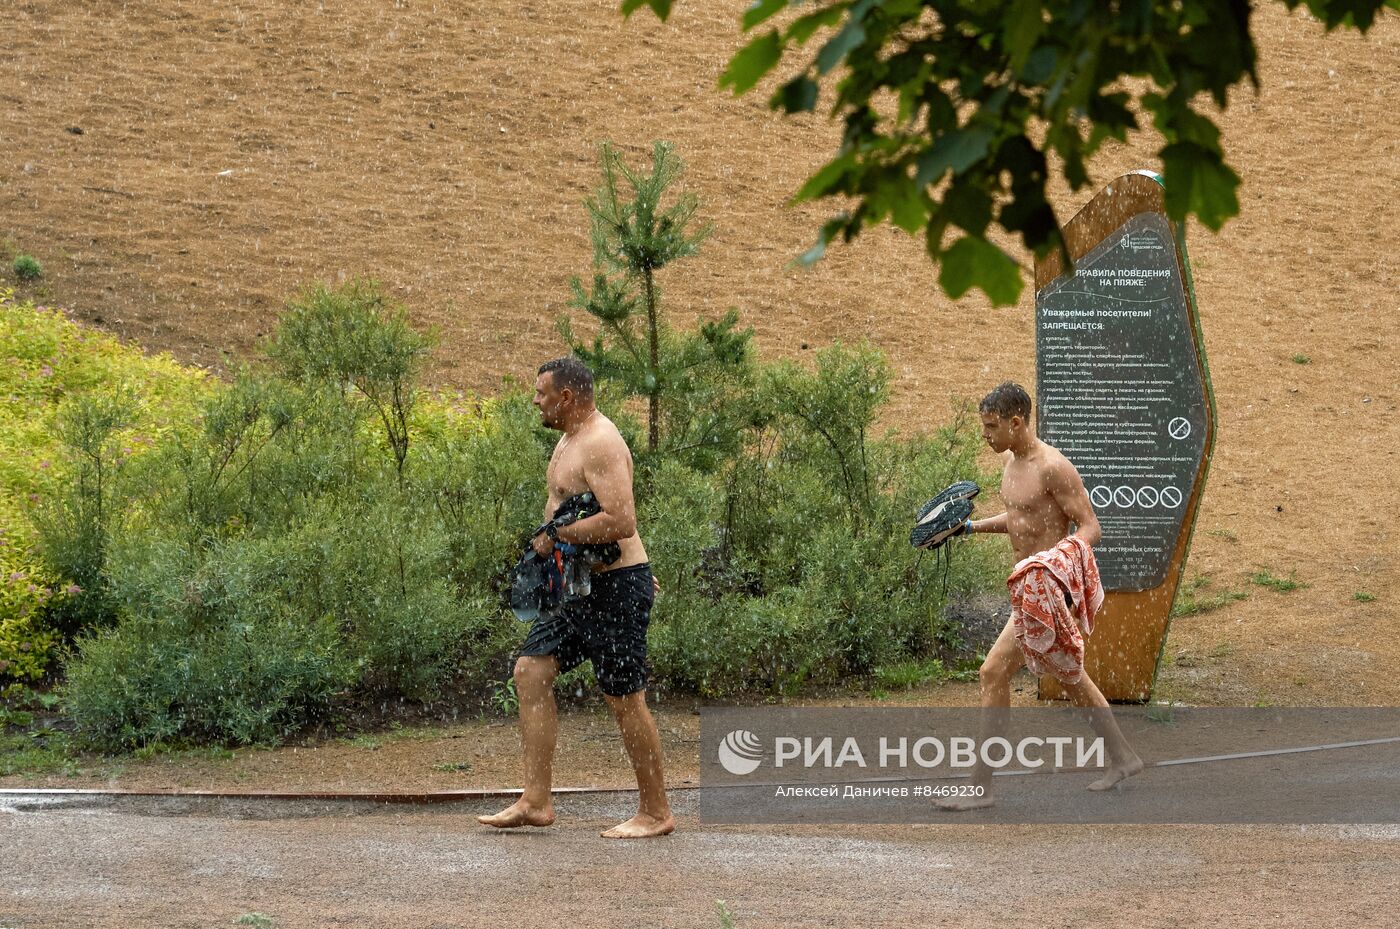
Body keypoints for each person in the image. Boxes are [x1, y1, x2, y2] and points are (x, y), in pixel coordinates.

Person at [478, 356, 674, 839]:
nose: (536, 401)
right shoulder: (569, 438)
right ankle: (536, 801)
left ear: (566, 397)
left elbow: (621, 521)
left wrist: (557, 534)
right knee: (531, 669)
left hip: (615, 587)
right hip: (580, 587)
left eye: (541, 393)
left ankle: (656, 812)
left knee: (624, 698)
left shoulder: (600, 441)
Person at [938, 382, 1143, 810]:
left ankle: (981, 788)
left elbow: (1090, 527)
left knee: (992, 673)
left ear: (1017, 422)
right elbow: (1018, 519)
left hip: (1047, 593)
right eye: (983, 428)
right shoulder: (1010, 465)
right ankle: (1123, 757)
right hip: (1026, 590)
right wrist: (970, 528)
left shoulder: (1054, 467)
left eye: (993, 427)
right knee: (1071, 677)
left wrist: (1054, 565)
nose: (986, 436)